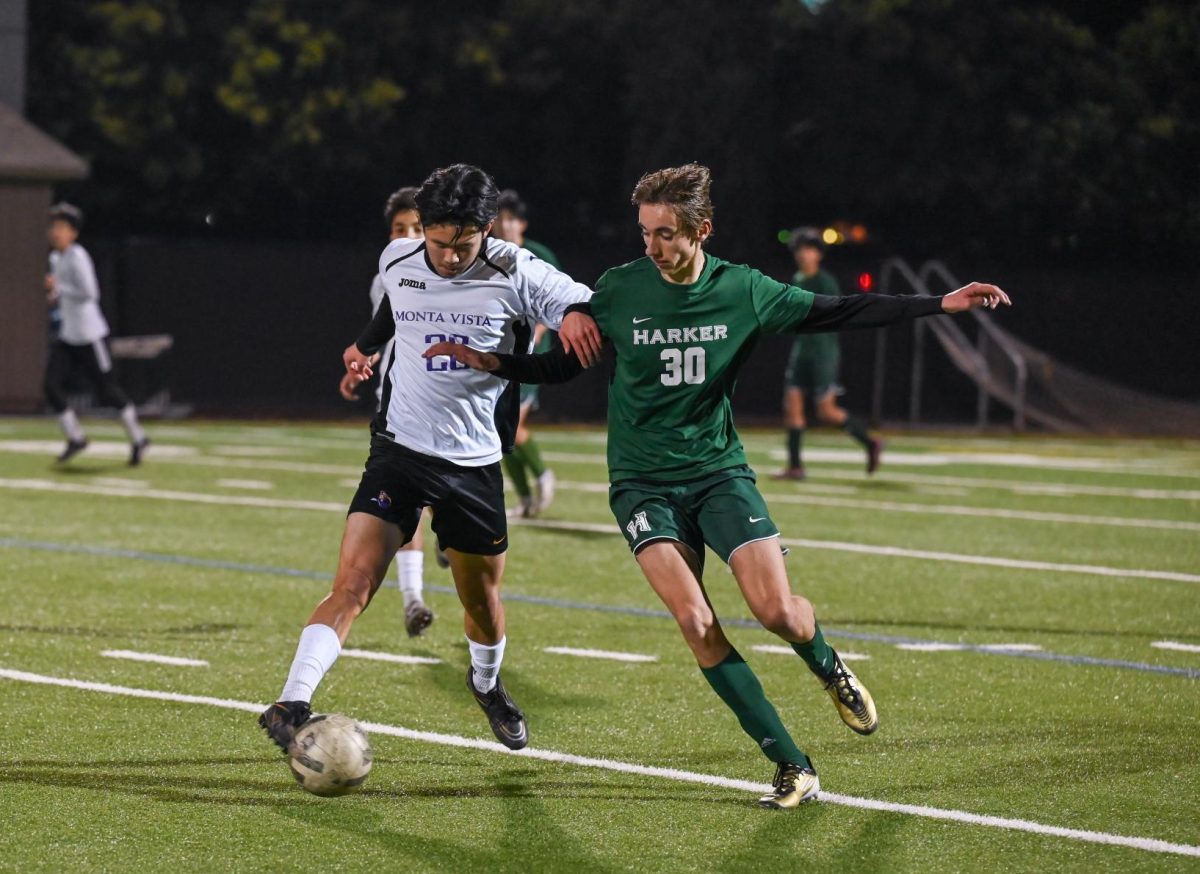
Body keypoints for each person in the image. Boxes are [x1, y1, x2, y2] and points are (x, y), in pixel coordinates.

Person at [425, 163, 1009, 809]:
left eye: (666, 234)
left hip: (717, 475)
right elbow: (561, 366)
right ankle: (792, 764)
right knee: (697, 621)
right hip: (642, 484)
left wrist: (940, 302)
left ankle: (828, 666)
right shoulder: (618, 291)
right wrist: (492, 361)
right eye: (645, 232)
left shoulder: (745, 290)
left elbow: (838, 310)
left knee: (777, 612)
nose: (652, 246)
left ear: (702, 230)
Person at [259, 163, 595, 755]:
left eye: (460, 244)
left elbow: (584, 306)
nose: (444, 255)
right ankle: (291, 702)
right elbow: (394, 307)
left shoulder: (519, 271)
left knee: (481, 604)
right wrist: (363, 347)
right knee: (354, 581)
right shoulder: (400, 257)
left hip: (473, 461)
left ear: (487, 229)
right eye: (436, 241)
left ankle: (487, 685)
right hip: (400, 448)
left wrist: (573, 315)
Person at [337, 186, 436, 638]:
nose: (408, 236)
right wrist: (362, 364)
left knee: (445, 501)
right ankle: (413, 597)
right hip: (398, 404)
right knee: (406, 501)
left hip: (449, 402)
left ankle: (451, 536)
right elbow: (381, 335)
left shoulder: (455, 269)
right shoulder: (388, 275)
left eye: (416, 227)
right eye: (400, 229)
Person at [42, 202, 150, 466]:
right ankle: (76, 437)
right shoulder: (56, 258)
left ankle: (138, 438)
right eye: (53, 227)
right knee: (50, 386)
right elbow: (63, 294)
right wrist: (54, 295)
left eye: (61, 227)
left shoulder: (78, 257)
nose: (55, 232)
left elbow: (91, 293)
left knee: (108, 392)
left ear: (73, 233)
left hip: (90, 336)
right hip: (69, 336)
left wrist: (61, 288)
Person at [774, 227, 882, 480]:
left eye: (809, 249)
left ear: (819, 254)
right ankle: (795, 466)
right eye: (800, 249)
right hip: (801, 351)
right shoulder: (798, 278)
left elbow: (833, 316)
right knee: (792, 407)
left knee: (826, 411)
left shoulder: (825, 282)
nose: (804, 254)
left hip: (823, 352)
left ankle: (870, 442)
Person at [492, 189, 559, 517]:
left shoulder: (537, 254)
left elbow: (555, 300)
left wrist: (532, 336)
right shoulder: (487, 256)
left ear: (522, 223)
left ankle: (543, 475)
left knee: (513, 427)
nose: (505, 224)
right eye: (500, 218)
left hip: (529, 359)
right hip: (497, 359)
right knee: (497, 432)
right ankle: (525, 499)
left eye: (511, 218)